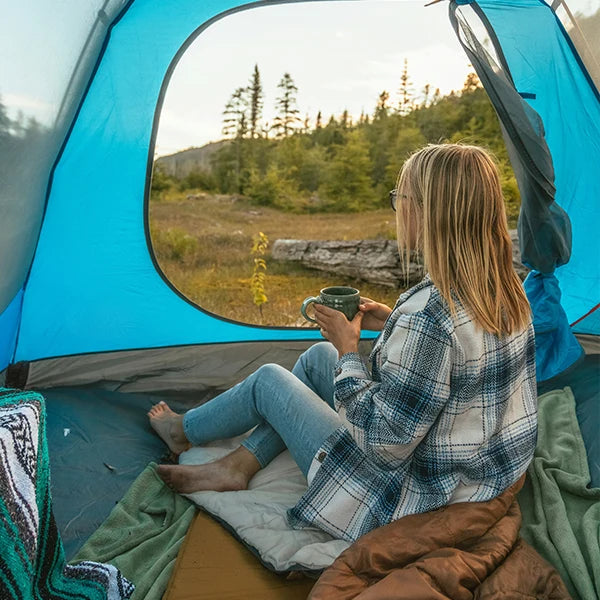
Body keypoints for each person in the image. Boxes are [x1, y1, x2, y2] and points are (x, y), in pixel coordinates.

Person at [148, 143, 537, 542]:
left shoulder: (429, 320)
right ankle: (238, 466)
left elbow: (386, 445)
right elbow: (457, 359)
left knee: (269, 381)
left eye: (400, 198)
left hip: (408, 500)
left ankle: (185, 432)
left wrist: (349, 352)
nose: (397, 208)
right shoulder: (506, 289)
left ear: (428, 212)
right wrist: (391, 321)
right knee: (319, 357)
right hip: (481, 476)